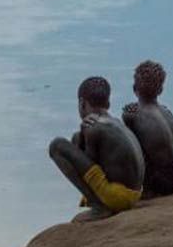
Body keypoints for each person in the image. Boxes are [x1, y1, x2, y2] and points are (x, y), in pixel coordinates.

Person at [48, 76, 145, 222]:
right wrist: (81, 135)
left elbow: (90, 171)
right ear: (108, 103)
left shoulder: (93, 128)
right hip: (135, 194)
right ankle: (101, 203)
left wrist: (85, 133)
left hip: (118, 197)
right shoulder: (115, 122)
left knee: (57, 145)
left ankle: (98, 206)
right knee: (76, 137)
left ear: (82, 103)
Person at [122, 61, 173, 198]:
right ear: (161, 90)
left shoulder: (132, 115)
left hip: (165, 182)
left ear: (134, 88)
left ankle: (147, 191)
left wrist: (127, 121)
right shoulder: (166, 111)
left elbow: (130, 148)